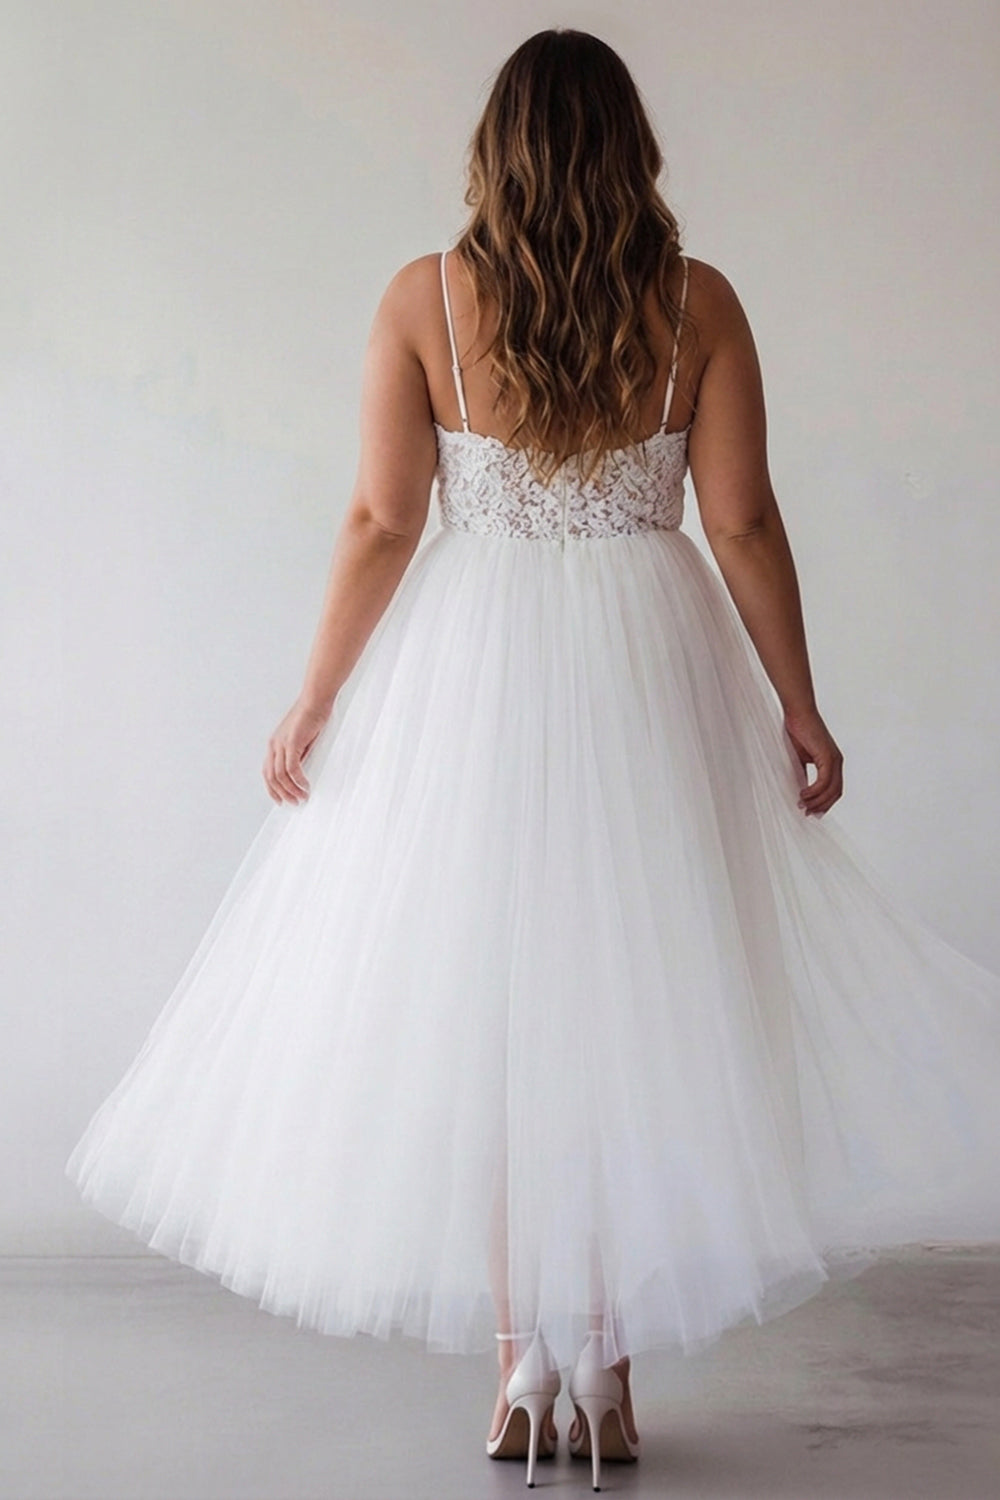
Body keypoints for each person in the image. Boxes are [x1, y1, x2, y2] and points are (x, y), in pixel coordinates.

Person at [66, 27, 1000, 1492]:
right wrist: (798, 704)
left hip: (474, 675)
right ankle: (607, 1378)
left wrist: (317, 697)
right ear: (633, 148)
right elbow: (742, 523)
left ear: (493, 152)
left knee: (507, 1020)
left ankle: (522, 1373)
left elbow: (383, 521)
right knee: (625, 1009)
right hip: (649, 671)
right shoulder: (695, 304)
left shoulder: (423, 300)